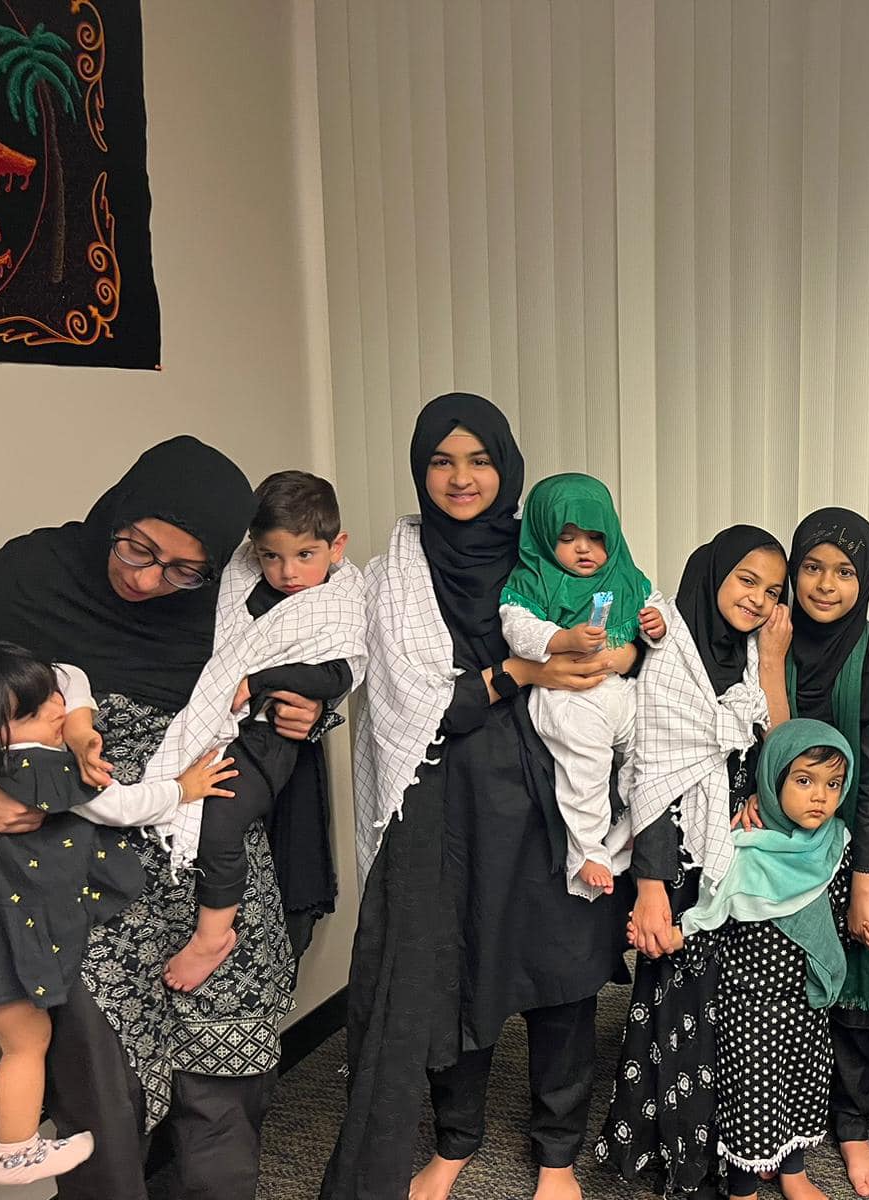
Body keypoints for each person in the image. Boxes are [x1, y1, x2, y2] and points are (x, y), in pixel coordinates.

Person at [320, 394, 626, 1200]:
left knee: (563, 974)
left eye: (480, 460)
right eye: (441, 461)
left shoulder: (551, 552)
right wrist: (520, 671)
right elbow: (418, 706)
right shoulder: (394, 577)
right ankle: (456, 1139)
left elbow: (625, 638)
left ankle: (557, 1156)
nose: (461, 478)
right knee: (455, 972)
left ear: (507, 467)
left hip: (557, 795)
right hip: (445, 805)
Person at [0, 436, 313, 1200]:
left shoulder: (234, 607)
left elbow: (287, 694)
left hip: (208, 843)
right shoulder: (28, 576)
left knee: (224, 1055)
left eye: (181, 570)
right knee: (102, 1073)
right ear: (117, 512)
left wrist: (304, 710)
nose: (145, 579)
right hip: (73, 859)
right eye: (137, 548)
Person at [596, 524, 790, 1196]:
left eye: (772, 591)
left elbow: (777, 751)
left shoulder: (748, 656)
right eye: (747, 580)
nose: (758, 599)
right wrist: (651, 890)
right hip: (674, 859)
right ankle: (679, 1159)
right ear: (712, 573)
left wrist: (772, 663)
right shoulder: (666, 649)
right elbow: (650, 773)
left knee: (722, 1013)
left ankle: (715, 1153)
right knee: (676, 1006)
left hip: (730, 854)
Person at [0, 645, 234, 1184]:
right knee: (25, 1042)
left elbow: (66, 675)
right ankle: (14, 1150)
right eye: (36, 710)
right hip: (11, 944)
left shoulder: (8, 757)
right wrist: (183, 789)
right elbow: (121, 807)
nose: (57, 709)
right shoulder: (44, 769)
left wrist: (75, 724)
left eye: (52, 698)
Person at [159, 471, 366, 992]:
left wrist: (258, 681)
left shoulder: (338, 602)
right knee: (165, 799)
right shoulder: (235, 583)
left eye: (304, 555)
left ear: (336, 547)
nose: (288, 571)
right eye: (272, 556)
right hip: (216, 728)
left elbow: (335, 676)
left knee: (219, 820)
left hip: (269, 745)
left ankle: (213, 935)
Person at [646, 719, 856, 1200]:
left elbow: (840, 911)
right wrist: (677, 934)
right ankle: (743, 1189)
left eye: (833, 784)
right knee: (753, 1100)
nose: (820, 796)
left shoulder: (833, 844)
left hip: (806, 1001)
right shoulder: (744, 848)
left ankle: (793, 1172)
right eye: (803, 780)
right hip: (750, 1006)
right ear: (773, 779)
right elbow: (713, 911)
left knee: (803, 1087)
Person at [770, 508, 869, 1198]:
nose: (826, 585)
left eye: (845, 572)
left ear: (867, 580)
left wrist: (864, 888)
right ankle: (768, 1130)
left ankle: (852, 1128)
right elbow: (756, 743)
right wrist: (770, 660)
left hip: (852, 845)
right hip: (768, 841)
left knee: (856, 981)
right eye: (812, 567)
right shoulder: (767, 635)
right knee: (774, 992)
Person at [499, 471, 665, 899]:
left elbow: (655, 607)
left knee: (654, 744)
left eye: (595, 537)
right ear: (543, 537)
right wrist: (561, 639)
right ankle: (587, 851)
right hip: (566, 697)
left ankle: (630, 829)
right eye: (568, 537)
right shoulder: (534, 578)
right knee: (585, 767)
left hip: (616, 690)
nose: (584, 548)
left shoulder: (624, 576)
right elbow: (517, 627)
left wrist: (656, 623)